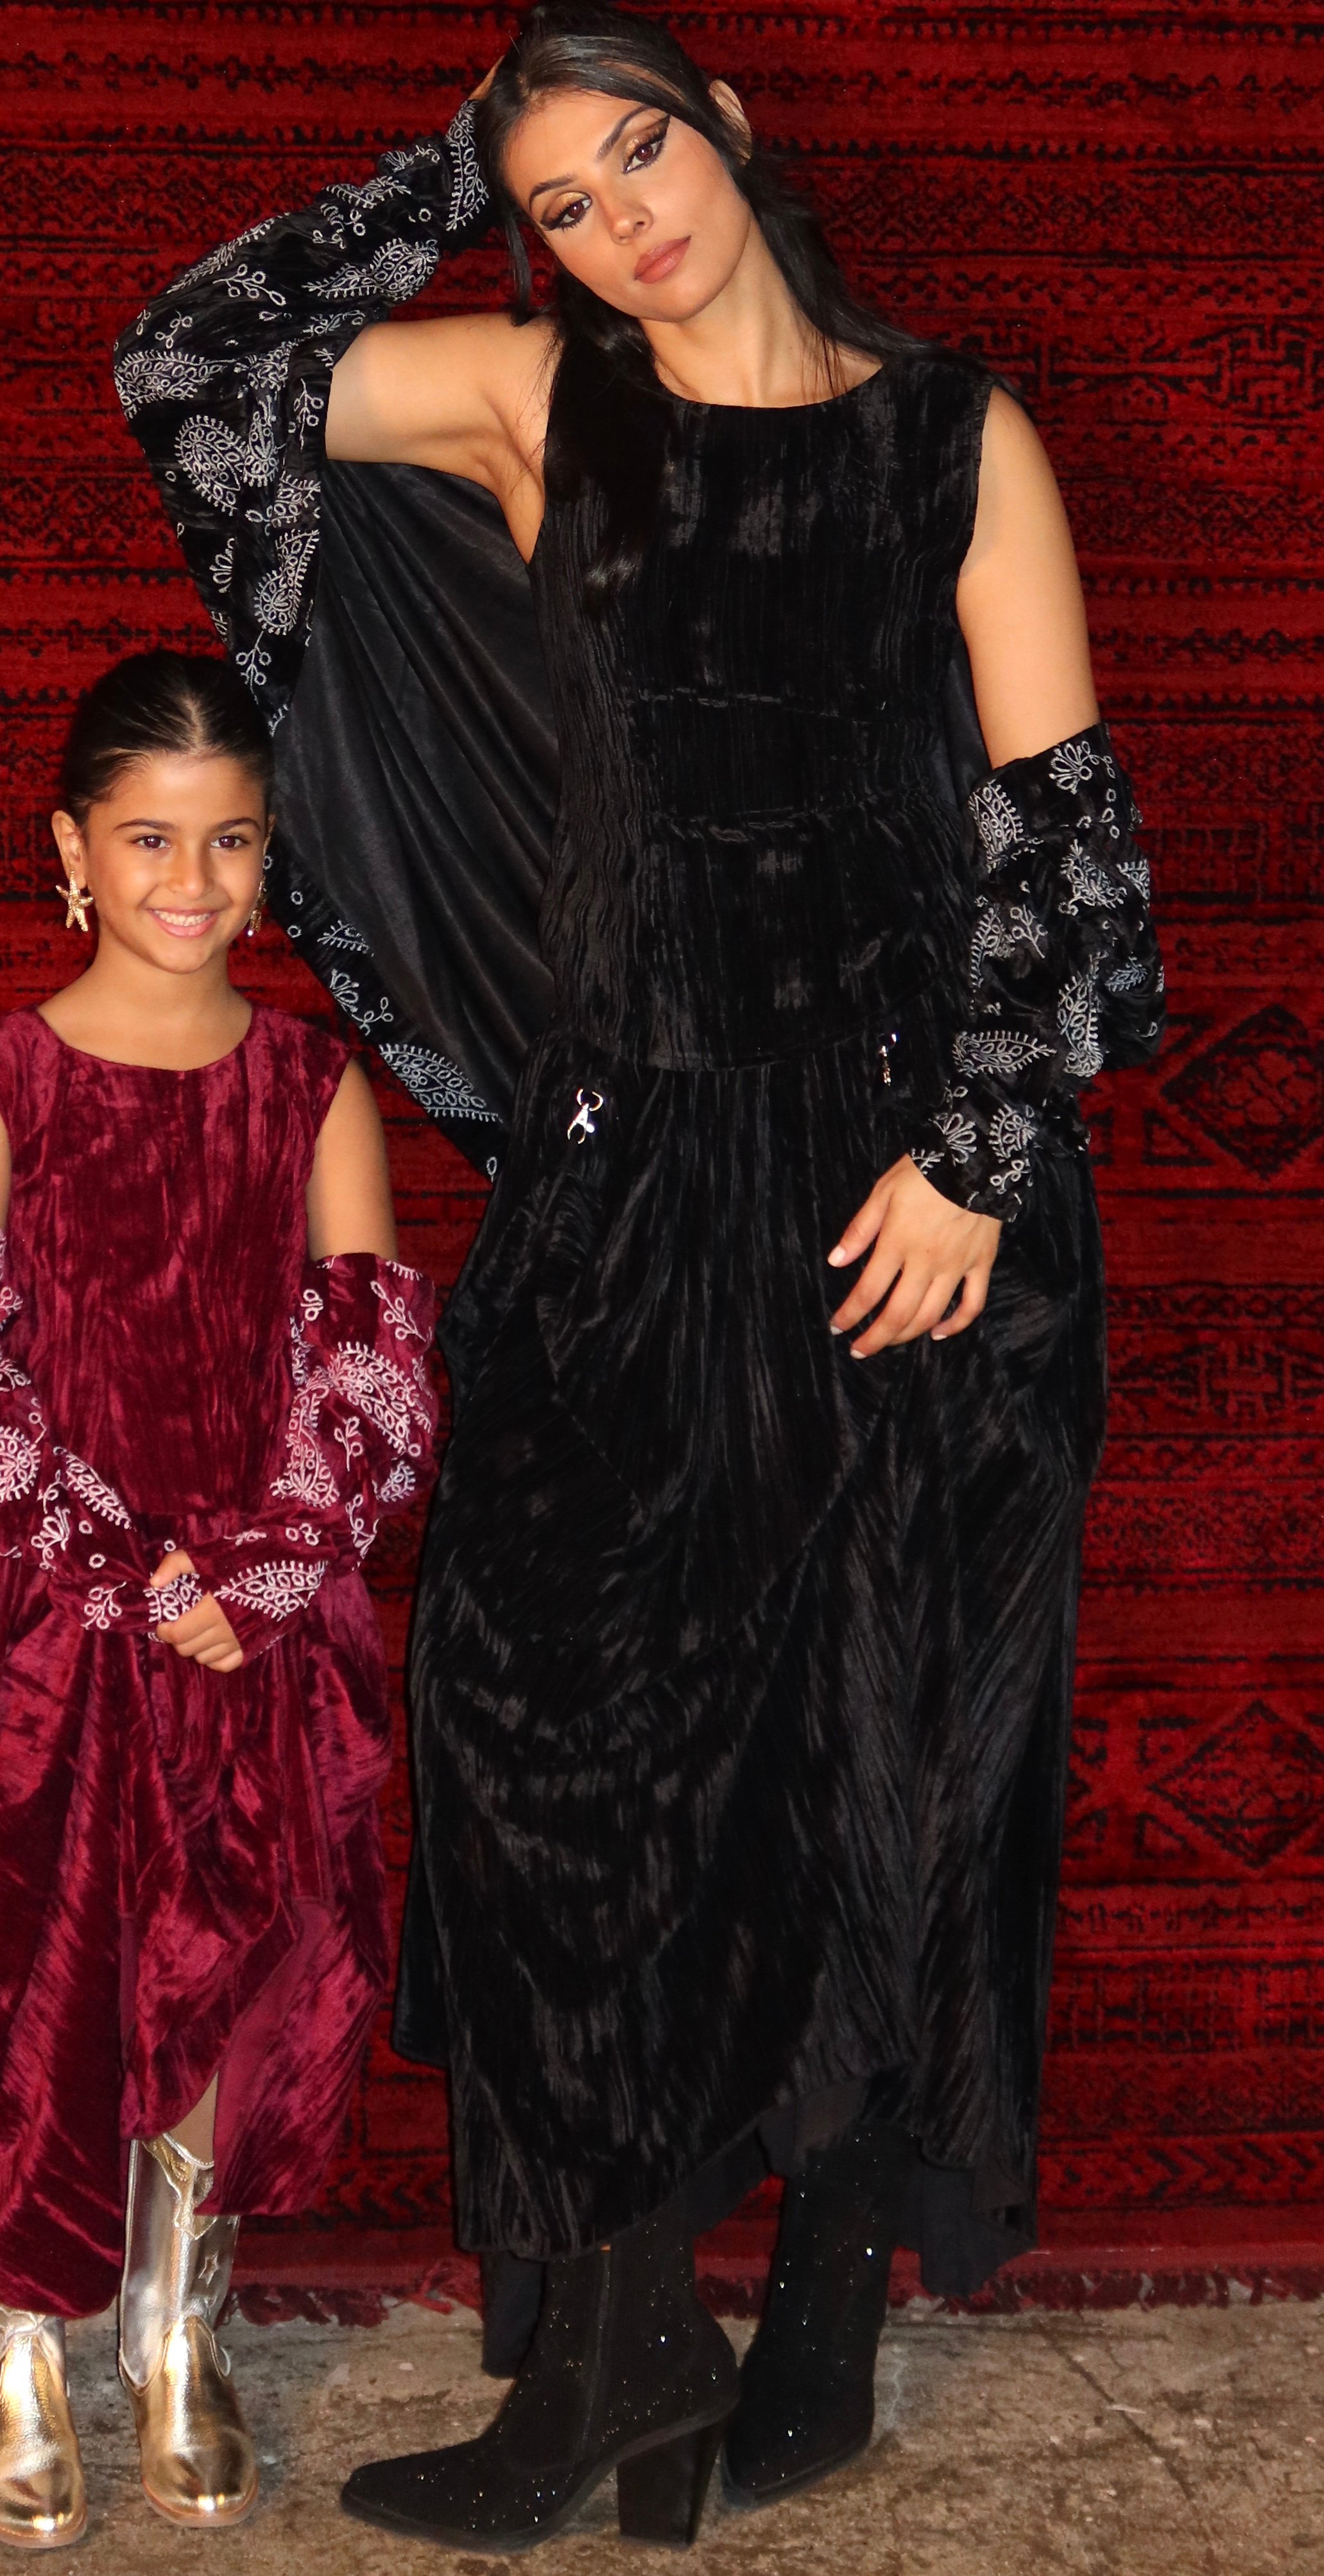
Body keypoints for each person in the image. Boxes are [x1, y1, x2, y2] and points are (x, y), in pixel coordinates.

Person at [116, 3, 1165, 2550]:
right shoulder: (528, 396)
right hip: (629, 1170)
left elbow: (1060, 844)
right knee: (539, 1740)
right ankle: (610, 2354)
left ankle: (813, 2322)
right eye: (563, 204)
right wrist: (448, 165)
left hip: (918, 1192)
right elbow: (191, 368)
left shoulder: (959, 438)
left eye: (638, 159)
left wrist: (972, 1165)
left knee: (882, 1745)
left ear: (734, 130)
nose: (620, 227)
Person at [0, 650, 438, 2548]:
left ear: (270, 857)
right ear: (72, 850)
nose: (193, 882)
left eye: (232, 842)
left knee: (239, 1963)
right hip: (53, 1623)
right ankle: (12, 2341)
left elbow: (372, 1367)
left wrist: (262, 1571)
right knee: (36, 1980)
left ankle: (175, 2329)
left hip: (253, 1626)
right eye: (150, 840)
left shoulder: (312, 1084)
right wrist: (123, 1568)